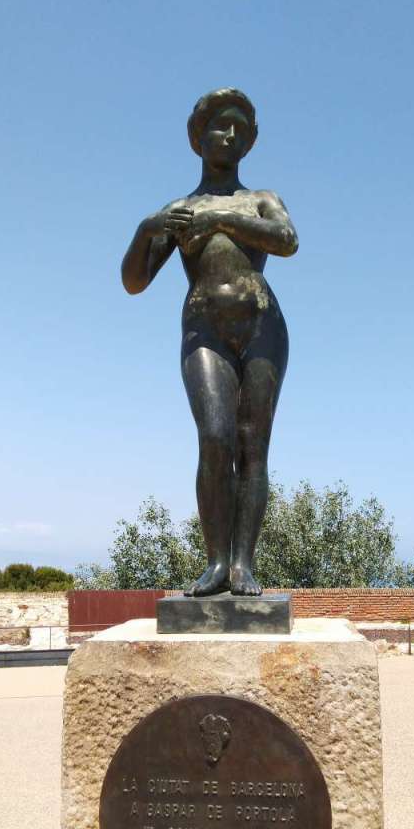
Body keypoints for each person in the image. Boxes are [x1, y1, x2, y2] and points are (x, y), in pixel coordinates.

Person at [121, 89, 298, 597]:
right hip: (204, 329)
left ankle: (243, 564)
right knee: (215, 437)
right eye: (221, 125)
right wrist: (146, 230)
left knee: (252, 446)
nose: (230, 135)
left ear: (252, 141)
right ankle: (216, 560)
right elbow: (134, 282)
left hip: (262, 327)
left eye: (241, 128)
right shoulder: (180, 210)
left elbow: (286, 240)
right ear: (197, 138)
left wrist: (220, 218)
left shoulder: (261, 200)